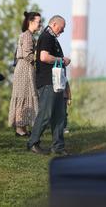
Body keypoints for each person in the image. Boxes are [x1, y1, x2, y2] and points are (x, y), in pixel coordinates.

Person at [27, 15, 71, 156]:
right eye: (62, 28)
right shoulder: (46, 37)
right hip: (48, 82)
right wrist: (62, 60)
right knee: (45, 114)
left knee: (59, 115)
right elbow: (44, 57)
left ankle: (58, 146)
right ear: (54, 24)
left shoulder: (52, 38)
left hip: (56, 82)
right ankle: (33, 143)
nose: (63, 31)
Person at [8, 11, 42, 137]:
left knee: (25, 95)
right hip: (25, 68)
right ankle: (20, 129)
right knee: (23, 96)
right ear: (31, 22)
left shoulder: (28, 35)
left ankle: (23, 127)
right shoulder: (27, 36)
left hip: (24, 67)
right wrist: (41, 58)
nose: (40, 25)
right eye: (39, 22)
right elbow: (28, 55)